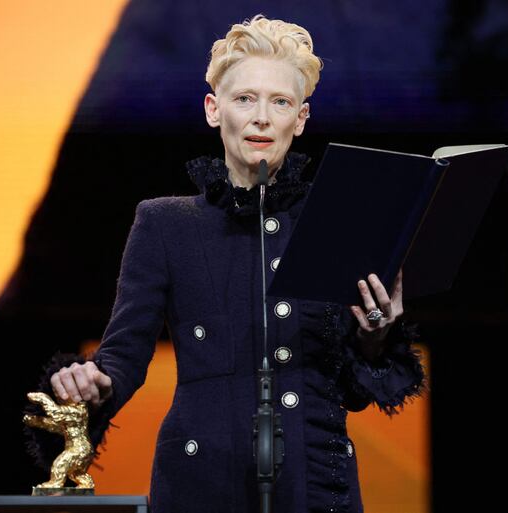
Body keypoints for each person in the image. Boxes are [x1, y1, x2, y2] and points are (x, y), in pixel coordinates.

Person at [32, 15, 425, 513]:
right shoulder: (164, 224)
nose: (262, 117)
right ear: (214, 111)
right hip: (202, 479)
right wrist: (93, 381)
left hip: (313, 478)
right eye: (245, 99)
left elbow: (353, 391)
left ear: (300, 119)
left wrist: (375, 334)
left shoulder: (336, 224)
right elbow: (122, 357)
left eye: (280, 102)